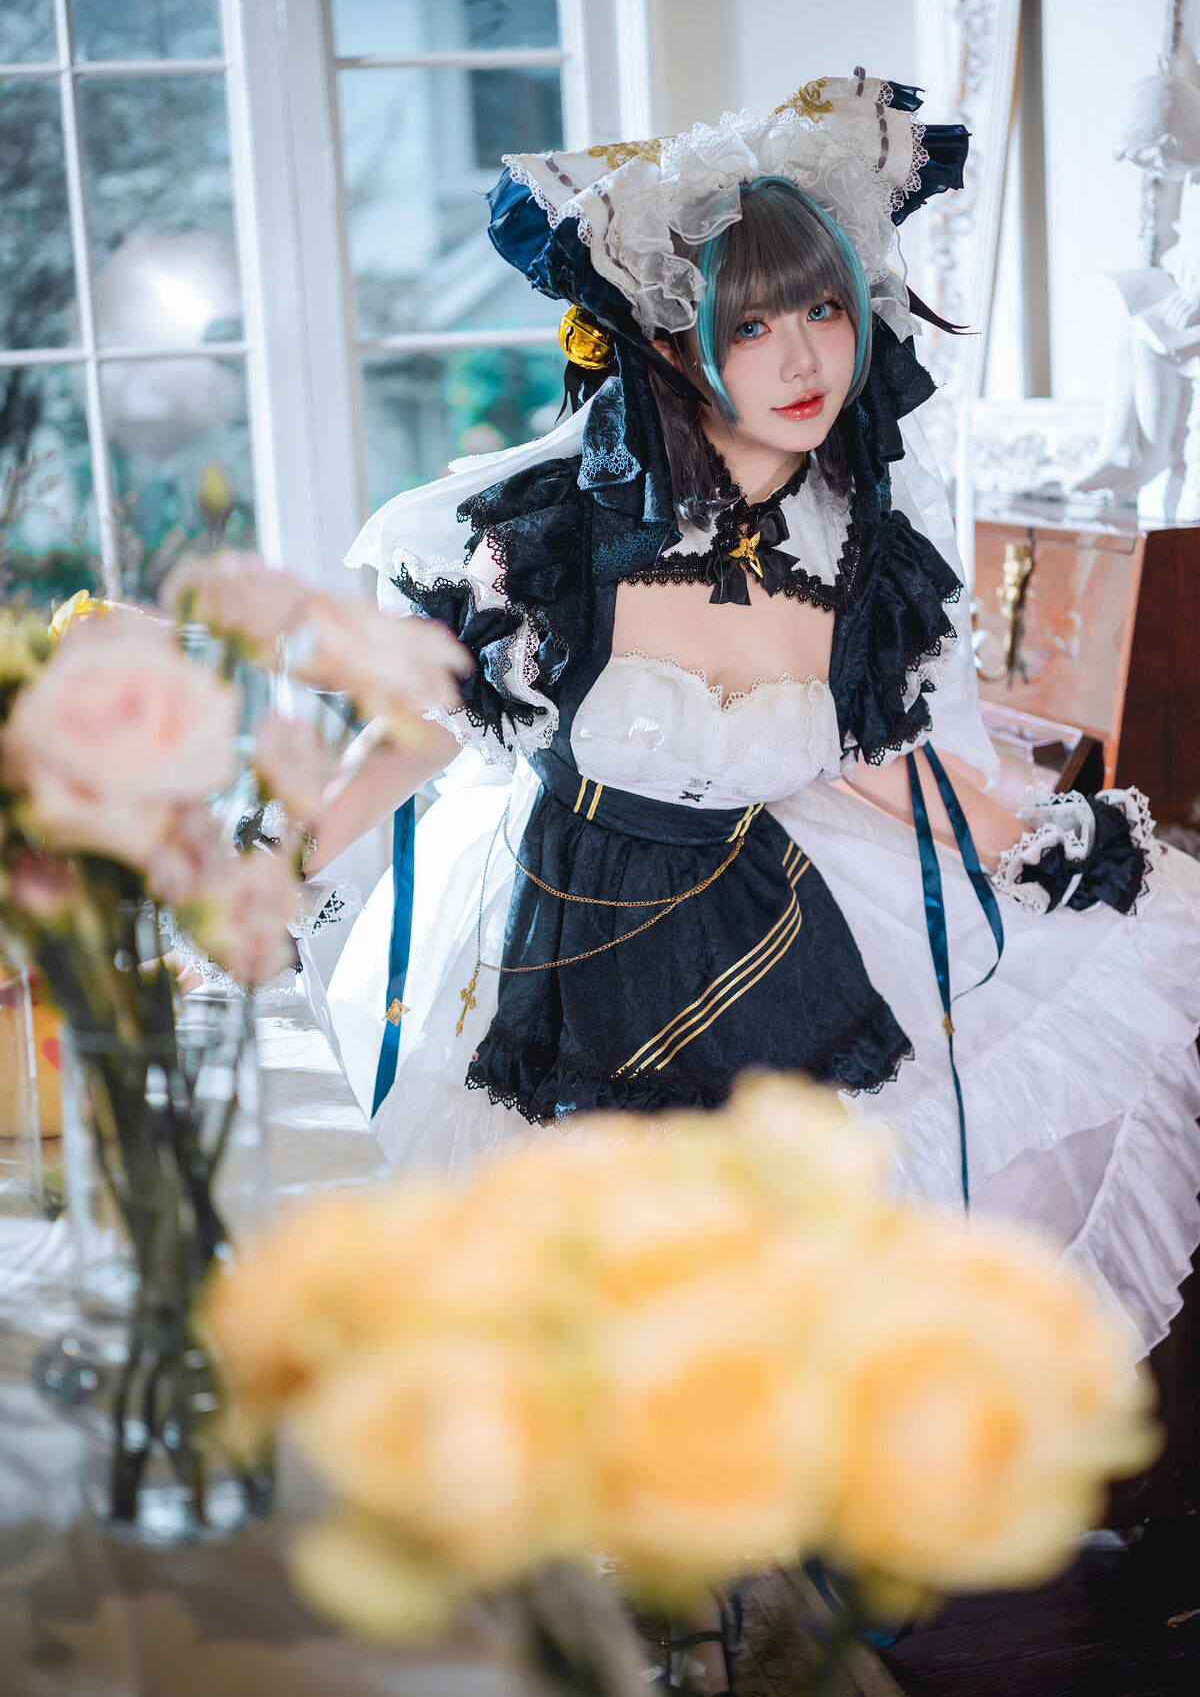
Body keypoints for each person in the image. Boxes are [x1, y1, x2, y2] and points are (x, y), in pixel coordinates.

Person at [312, 74, 1200, 1361]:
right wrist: (272, 861)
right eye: (754, 323)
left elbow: (870, 760)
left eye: (826, 310)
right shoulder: (560, 540)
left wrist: (1054, 849)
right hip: (562, 951)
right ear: (676, 340)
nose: (803, 360)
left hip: (765, 941)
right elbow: (421, 725)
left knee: (774, 1324)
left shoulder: (865, 558)